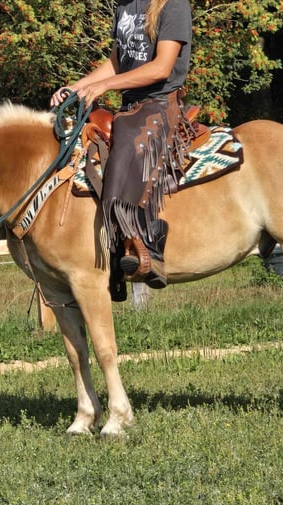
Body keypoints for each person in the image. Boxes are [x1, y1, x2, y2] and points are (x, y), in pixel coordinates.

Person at [51, 0, 193, 290]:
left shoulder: (173, 5)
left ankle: (148, 243)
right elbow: (117, 61)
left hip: (161, 104)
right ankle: (112, 249)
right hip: (130, 105)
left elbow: (161, 67)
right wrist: (77, 88)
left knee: (126, 149)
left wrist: (106, 86)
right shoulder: (126, 6)